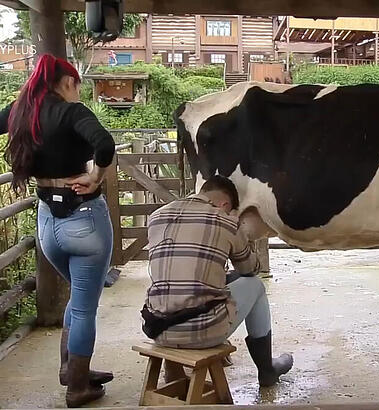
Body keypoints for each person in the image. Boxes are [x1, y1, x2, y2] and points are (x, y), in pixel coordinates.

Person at [0, 54, 116, 407]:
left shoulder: (20, 112)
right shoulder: (71, 112)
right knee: (84, 307)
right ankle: (77, 386)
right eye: (76, 86)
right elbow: (105, 144)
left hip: (48, 223)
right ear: (67, 82)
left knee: (79, 300)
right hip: (84, 220)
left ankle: (72, 370)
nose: (76, 92)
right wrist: (95, 176)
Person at [142, 175, 293, 386]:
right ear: (224, 204)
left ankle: (173, 368)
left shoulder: (157, 216)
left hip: (156, 329)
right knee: (255, 285)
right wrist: (236, 231)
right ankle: (267, 369)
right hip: (202, 332)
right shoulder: (225, 220)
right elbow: (250, 269)